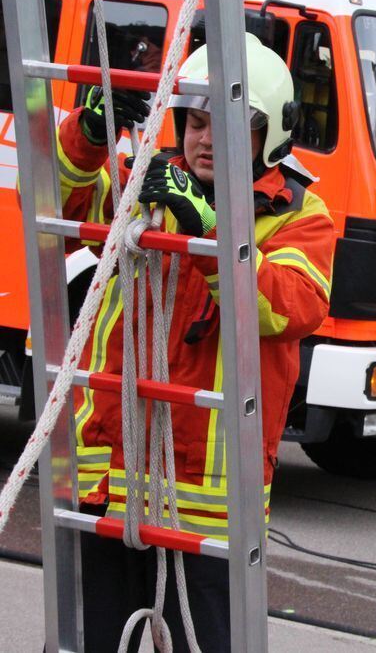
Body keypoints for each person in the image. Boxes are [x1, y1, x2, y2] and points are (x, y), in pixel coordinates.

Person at [57, 33, 334, 652]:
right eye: (197, 121)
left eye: (230, 124)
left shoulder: (300, 216)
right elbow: (57, 206)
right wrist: (89, 134)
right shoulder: (142, 188)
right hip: (109, 486)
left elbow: (286, 304)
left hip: (208, 513)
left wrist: (208, 232)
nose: (207, 138)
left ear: (273, 136)